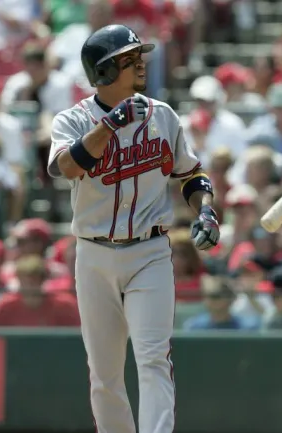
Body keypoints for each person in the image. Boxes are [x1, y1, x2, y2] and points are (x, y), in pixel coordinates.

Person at [46, 24, 220, 433]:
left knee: (153, 357)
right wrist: (109, 126)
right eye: (129, 58)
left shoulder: (163, 115)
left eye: (139, 55)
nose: (140, 62)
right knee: (104, 374)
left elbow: (192, 176)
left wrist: (206, 211)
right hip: (94, 254)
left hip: (150, 252)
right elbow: (63, 168)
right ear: (104, 72)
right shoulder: (72, 120)